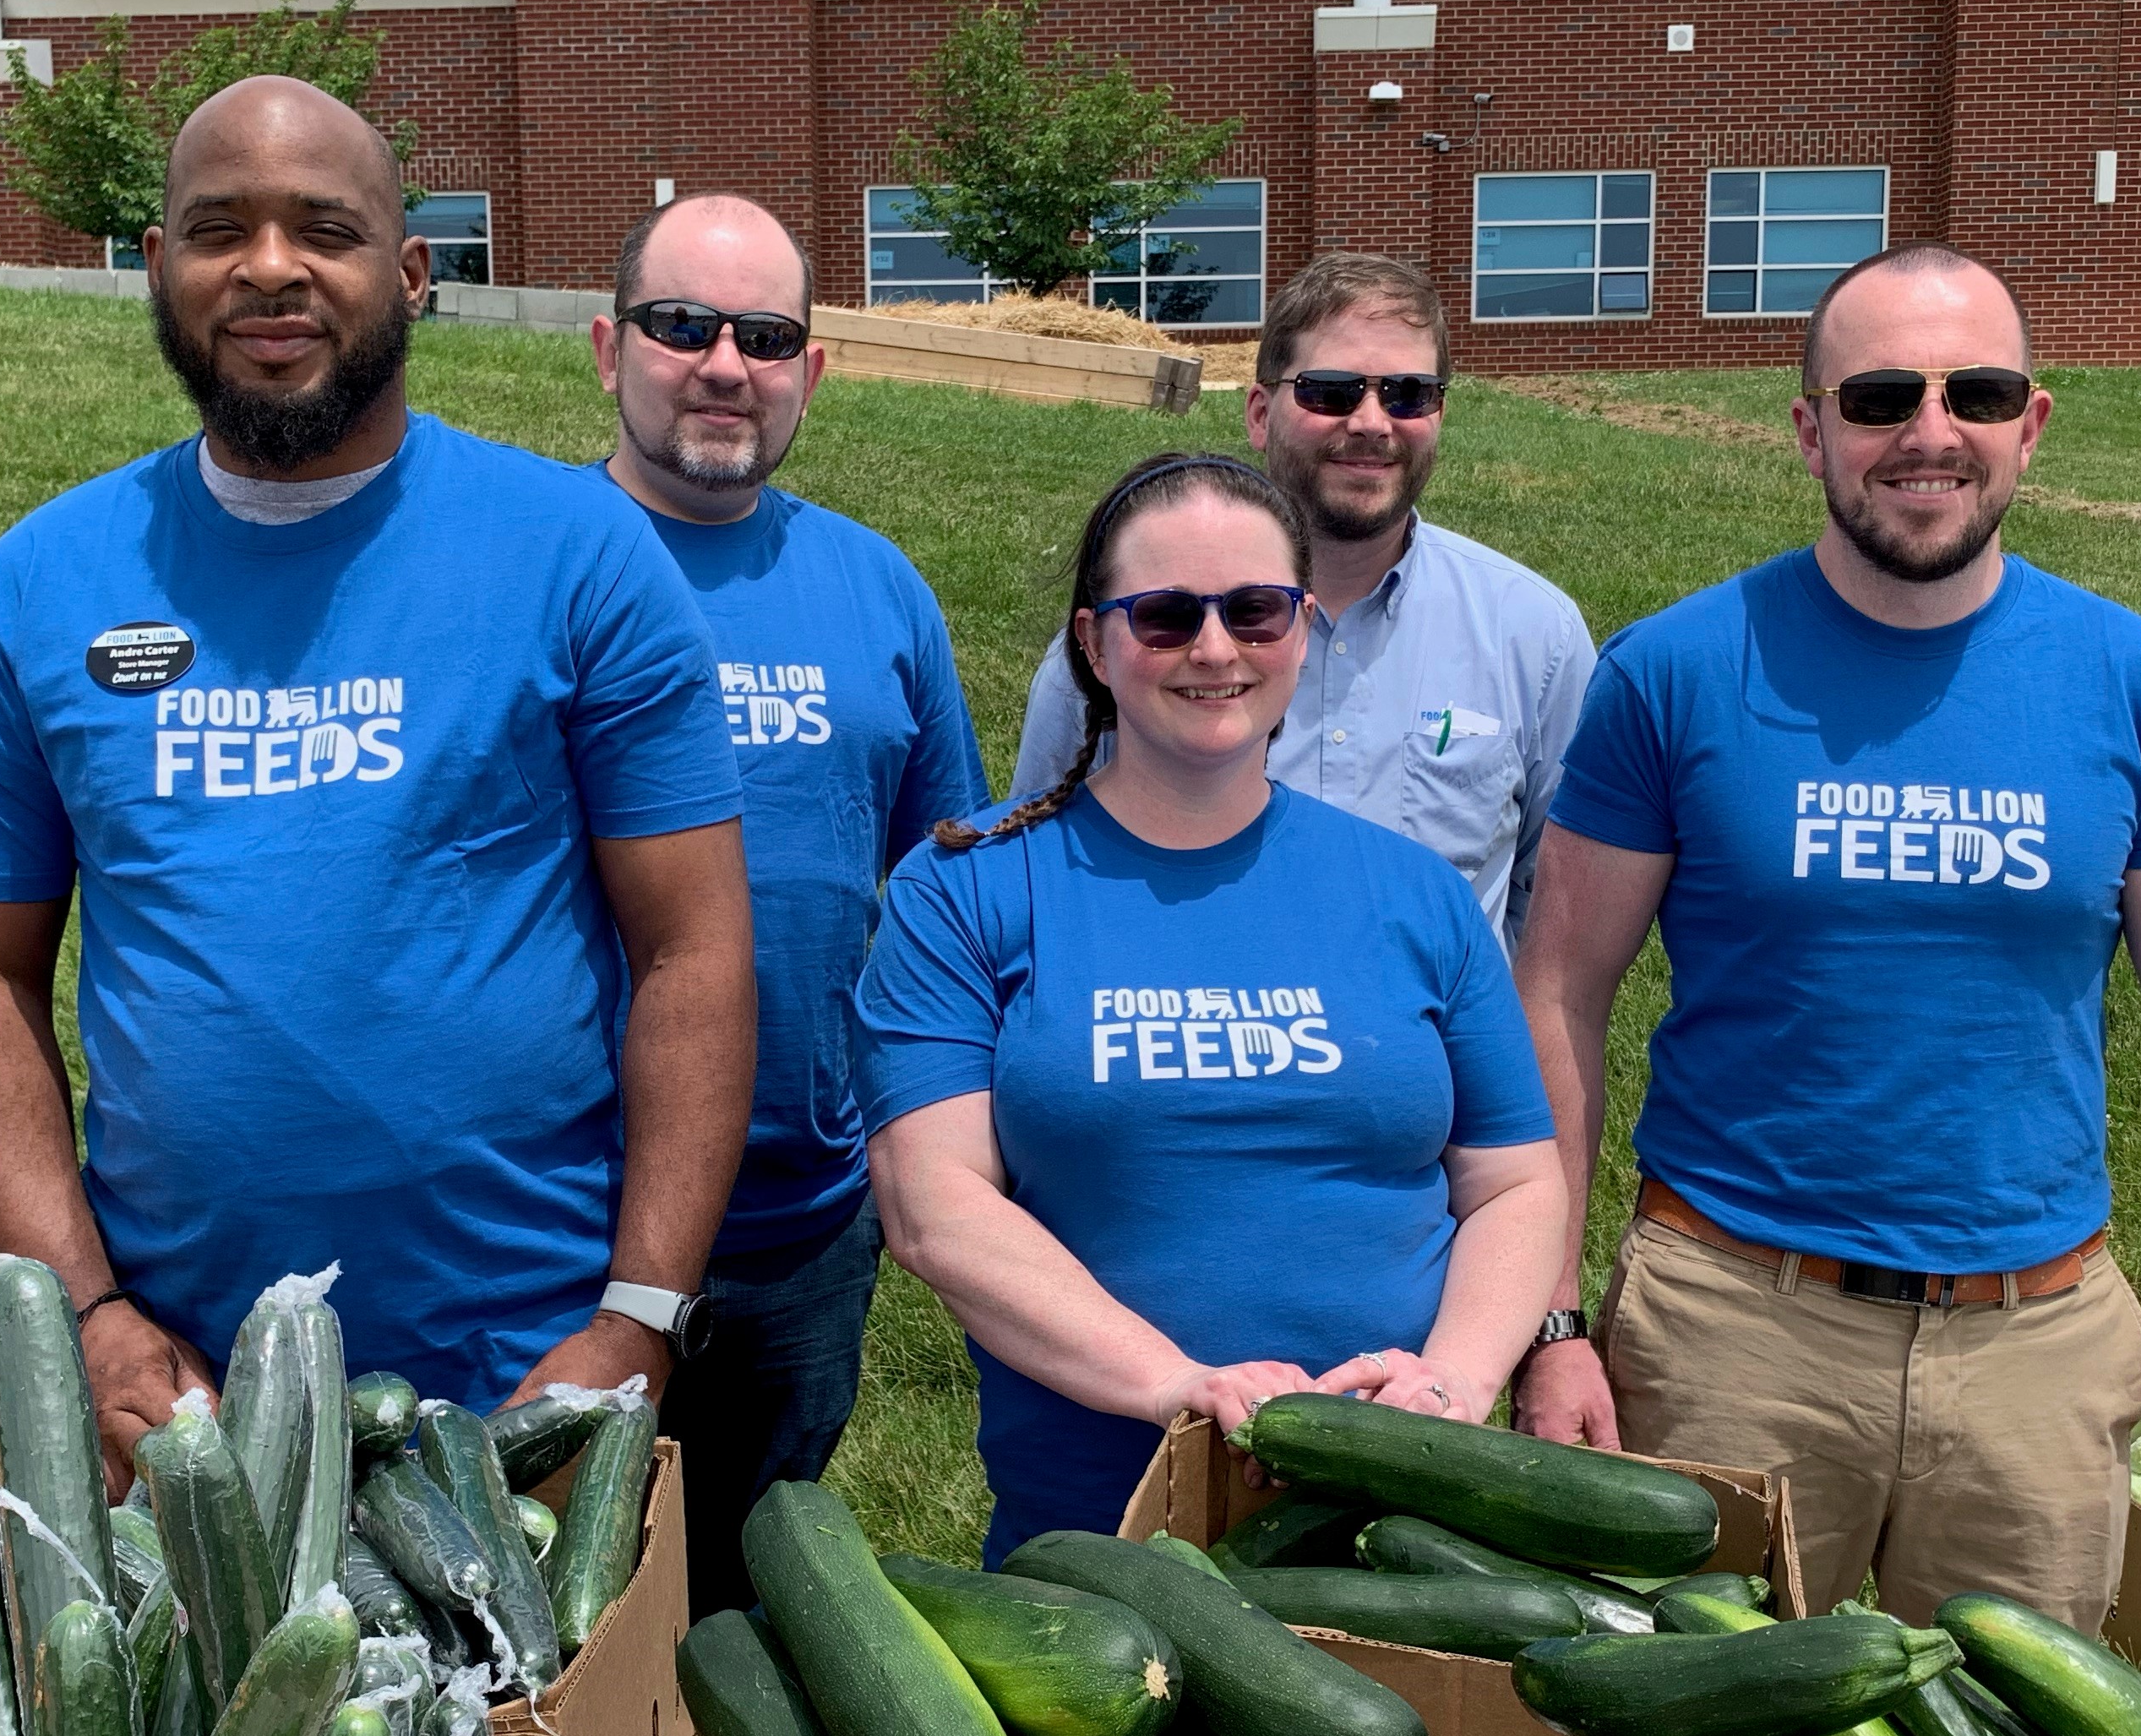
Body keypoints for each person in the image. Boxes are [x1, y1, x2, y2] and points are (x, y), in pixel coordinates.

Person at [0, 75, 757, 1489]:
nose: (269, 267)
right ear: (161, 267)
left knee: (550, 1720)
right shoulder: (37, 586)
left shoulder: (580, 558)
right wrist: (85, 1311)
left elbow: (695, 948)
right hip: (176, 1393)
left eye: (326, 228)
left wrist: (641, 1312)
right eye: (215, 228)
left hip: (529, 1371)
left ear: (410, 273)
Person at [1509, 242, 2141, 1630]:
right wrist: (1553, 1321)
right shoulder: (1676, 670)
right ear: (1809, 426)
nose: (1928, 434)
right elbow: (1558, 993)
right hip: (1729, 1327)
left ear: (2029, 424)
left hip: (2034, 1346)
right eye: (1879, 398)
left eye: (1974, 393)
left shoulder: (2135, 683)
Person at [863, 453, 1569, 1560]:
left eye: (1255, 611)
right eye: (1164, 617)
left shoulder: (1413, 891)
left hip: (1409, 1535)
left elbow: (1518, 1184)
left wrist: (1454, 1382)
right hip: (1102, 1538)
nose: (1214, 648)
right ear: (1094, 644)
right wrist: (1178, 1385)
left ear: (1300, 628)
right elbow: (932, 1206)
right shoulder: (970, 889)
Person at [589, 193, 989, 1614]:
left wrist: (917, 1140)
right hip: (563, 1215)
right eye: (681, 325)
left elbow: (949, 884)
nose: (721, 363)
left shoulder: (877, 590)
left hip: (804, 1225)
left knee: (759, 1616)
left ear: (811, 370)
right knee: (546, 1618)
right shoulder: (529, 561)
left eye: (764, 335)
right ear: (607, 348)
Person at [1007, 253, 1593, 948]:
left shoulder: (1535, 636)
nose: (1375, 421)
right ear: (1260, 413)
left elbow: (1552, 916)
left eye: (1408, 392)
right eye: (1333, 391)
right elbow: (1039, 873)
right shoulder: (1140, 637)